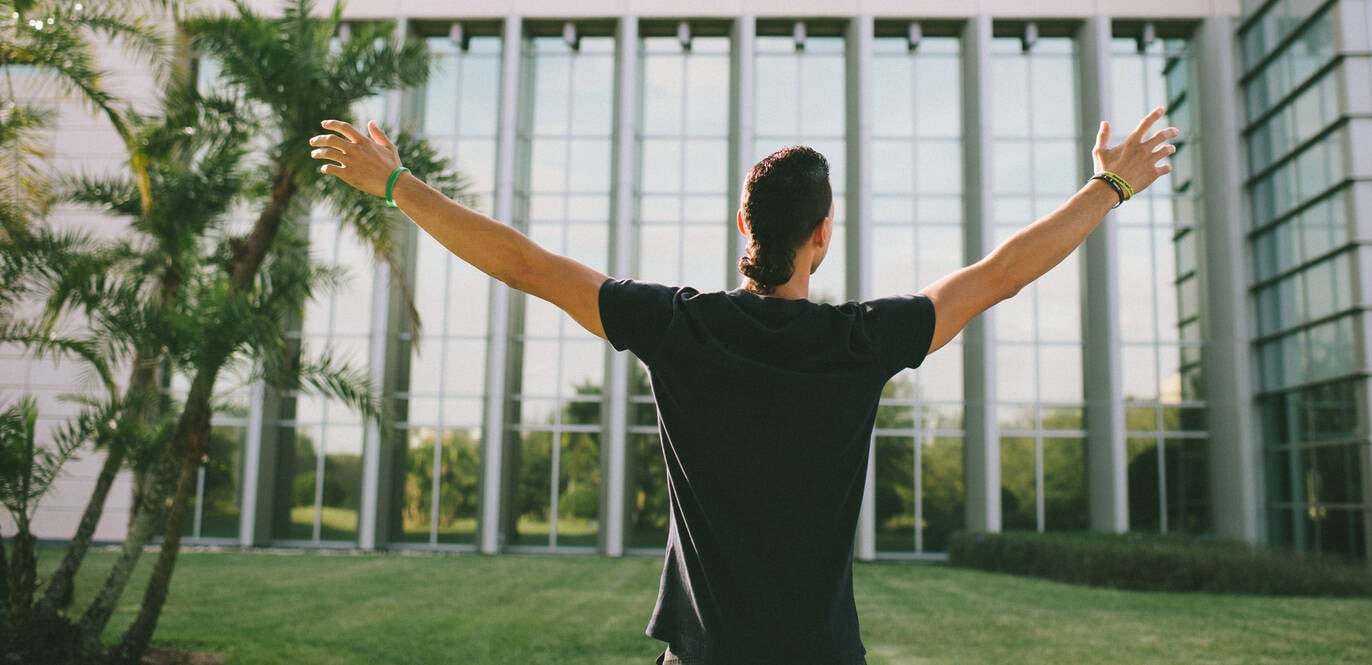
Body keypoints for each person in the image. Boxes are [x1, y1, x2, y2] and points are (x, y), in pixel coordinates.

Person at [309, 107, 1176, 665]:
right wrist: (1108, 185)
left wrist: (394, 183)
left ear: (743, 227)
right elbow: (998, 276)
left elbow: (528, 265)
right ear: (822, 235)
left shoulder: (680, 328)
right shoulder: (860, 342)